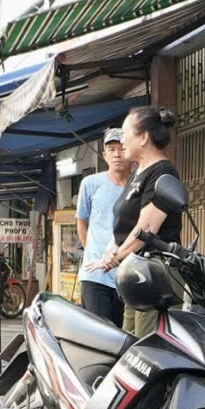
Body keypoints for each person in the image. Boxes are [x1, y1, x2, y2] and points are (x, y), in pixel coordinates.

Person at [96, 103, 185, 274]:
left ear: (143, 137)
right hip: (135, 271)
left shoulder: (162, 171)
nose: (122, 141)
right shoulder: (138, 173)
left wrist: (115, 257)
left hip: (157, 272)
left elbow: (145, 231)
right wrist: (111, 249)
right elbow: (123, 224)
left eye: (125, 134)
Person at [74, 132, 132, 326]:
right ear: (104, 155)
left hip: (129, 276)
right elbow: (81, 221)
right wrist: (92, 253)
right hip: (96, 277)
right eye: (111, 150)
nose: (117, 154)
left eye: (122, 148)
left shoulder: (138, 186)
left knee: (125, 338)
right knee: (99, 335)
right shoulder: (90, 184)